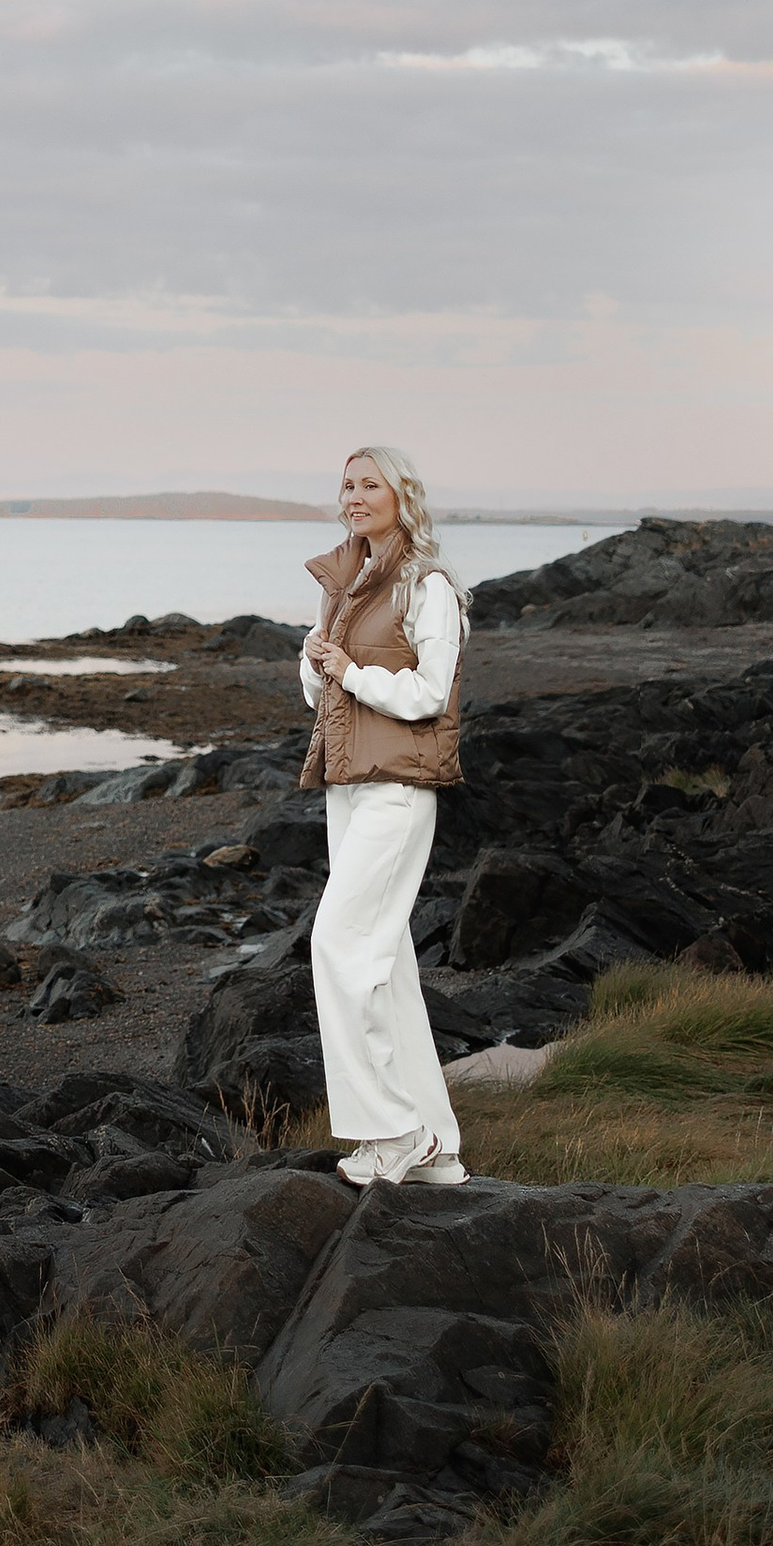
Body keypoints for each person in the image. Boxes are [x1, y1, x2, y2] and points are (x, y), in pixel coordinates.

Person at [298, 444, 469, 1187]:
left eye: (370, 484)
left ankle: (393, 1131)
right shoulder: (343, 583)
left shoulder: (425, 586)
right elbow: (319, 695)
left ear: (402, 496)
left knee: (338, 944)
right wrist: (314, 662)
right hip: (348, 785)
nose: (355, 495)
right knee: (386, 964)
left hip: (399, 789)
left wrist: (350, 671)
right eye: (347, 485)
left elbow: (431, 693)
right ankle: (438, 1147)